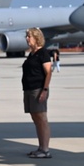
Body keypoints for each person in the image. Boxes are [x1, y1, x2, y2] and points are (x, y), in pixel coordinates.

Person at [22, 27, 54, 158]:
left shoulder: (43, 53)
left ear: (36, 38)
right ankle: (40, 147)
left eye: (29, 36)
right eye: (27, 36)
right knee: (36, 119)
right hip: (29, 89)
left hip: (38, 89)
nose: (27, 39)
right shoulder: (31, 54)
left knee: (42, 119)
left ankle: (45, 149)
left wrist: (44, 90)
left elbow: (48, 72)